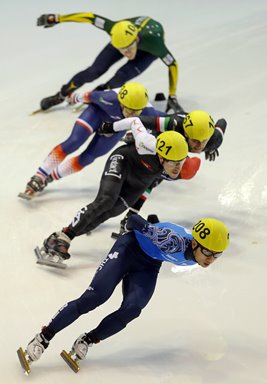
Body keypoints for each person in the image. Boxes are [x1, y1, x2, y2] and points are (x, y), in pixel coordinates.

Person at [17, 214, 229, 374]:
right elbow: (133, 221)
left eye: (216, 256)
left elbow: (159, 226)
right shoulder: (172, 241)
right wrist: (146, 227)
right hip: (128, 250)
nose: (210, 259)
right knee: (94, 297)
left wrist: (153, 223)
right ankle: (43, 338)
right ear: (194, 243)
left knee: (132, 309)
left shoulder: (198, 250)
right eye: (208, 253)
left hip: (149, 265)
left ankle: (87, 340)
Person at [33, 118, 189, 267]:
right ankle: (64, 236)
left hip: (139, 180)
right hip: (123, 161)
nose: (177, 168)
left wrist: (135, 209)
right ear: (161, 157)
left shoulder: (184, 167)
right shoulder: (146, 142)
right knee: (106, 200)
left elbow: (152, 184)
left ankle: (59, 238)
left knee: (111, 211)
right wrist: (110, 127)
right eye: (174, 163)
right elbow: (134, 121)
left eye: (181, 161)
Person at [19, 82, 164, 199]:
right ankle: (39, 175)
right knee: (74, 142)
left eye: (136, 111)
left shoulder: (148, 112)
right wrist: (71, 98)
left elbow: (164, 123)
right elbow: (85, 96)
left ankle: (50, 178)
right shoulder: (108, 97)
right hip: (97, 114)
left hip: (115, 128)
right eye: (129, 110)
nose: (132, 114)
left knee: (88, 158)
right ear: (120, 103)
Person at [101, 109, 227, 236]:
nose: (199, 146)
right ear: (186, 134)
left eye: (204, 141)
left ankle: (129, 216)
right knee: (154, 174)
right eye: (195, 141)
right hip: (162, 139)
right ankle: (125, 214)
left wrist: (211, 147)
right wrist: (112, 128)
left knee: (174, 173)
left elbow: (222, 122)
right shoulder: (173, 124)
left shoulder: (214, 140)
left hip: (176, 150)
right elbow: (139, 121)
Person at [36, 12, 181, 113]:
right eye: (122, 51)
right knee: (94, 71)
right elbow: (90, 17)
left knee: (120, 77)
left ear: (135, 40)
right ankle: (61, 95)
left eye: (128, 49)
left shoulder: (155, 44)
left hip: (147, 52)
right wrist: (57, 18)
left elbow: (172, 65)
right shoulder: (113, 27)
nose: (126, 54)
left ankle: (100, 92)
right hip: (123, 37)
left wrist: (172, 95)